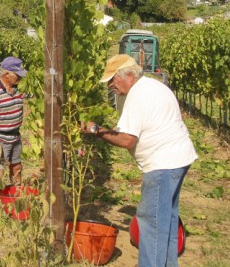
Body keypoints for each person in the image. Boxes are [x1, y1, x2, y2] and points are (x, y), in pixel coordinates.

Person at [83, 54, 197, 267]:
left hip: (162, 164)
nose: (110, 86)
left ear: (127, 76)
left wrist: (95, 129)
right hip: (178, 158)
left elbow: (127, 140)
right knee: (167, 220)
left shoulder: (137, 96)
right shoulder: (154, 86)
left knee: (151, 222)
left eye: (112, 80)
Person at [0, 56, 27, 211]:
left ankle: (17, 204)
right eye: (18, 74)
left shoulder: (19, 87)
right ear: (7, 74)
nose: (21, 77)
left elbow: (38, 94)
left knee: (17, 168)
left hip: (15, 136)